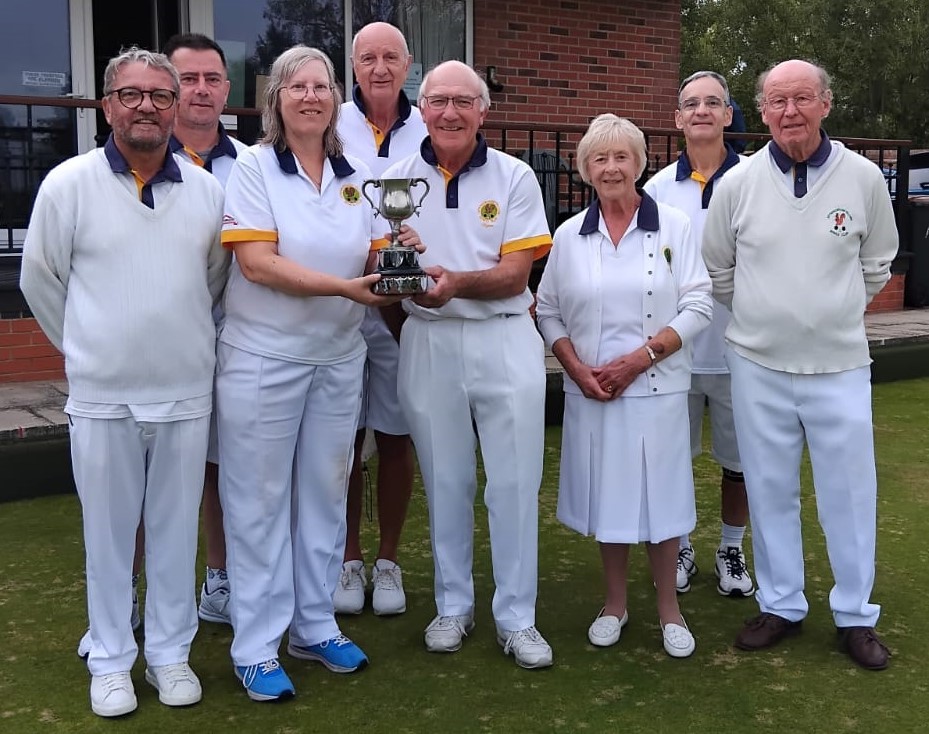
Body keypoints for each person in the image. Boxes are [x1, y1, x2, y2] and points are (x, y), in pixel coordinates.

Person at [20, 47, 228, 717]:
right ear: (108, 105)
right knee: (108, 539)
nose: (146, 106)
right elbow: (39, 279)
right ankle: (110, 660)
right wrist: (87, 349)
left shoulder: (206, 191)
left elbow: (213, 284)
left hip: (185, 392)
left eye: (160, 96)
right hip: (103, 396)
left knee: (174, 533)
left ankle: (169, 656)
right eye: (131, 94)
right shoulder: (68, 184)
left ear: (175, 108)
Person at [216, 44, 417, 702]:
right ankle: (255, 646)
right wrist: (346, 288)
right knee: (259, 501)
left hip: (337, 357)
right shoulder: (252, 167)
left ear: (335, 99)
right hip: (264, 358)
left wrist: (400, 253)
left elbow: (372, 253)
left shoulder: (354, 174)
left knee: (327, 494)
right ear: (275, 98)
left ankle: (313, 626)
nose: (310, 96)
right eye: (296, 86)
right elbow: (257, 264)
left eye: (321, 86)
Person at [702, 59, 896, 670]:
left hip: (840, 365)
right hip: (757, 363)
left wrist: (830, 314)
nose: (791, 111)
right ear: (762, 111)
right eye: (778, 101)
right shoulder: (737, 183)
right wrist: (765, 316)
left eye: (803, 98)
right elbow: (718, 267)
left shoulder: (863, 178)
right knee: (768, 487)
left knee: (850, 492)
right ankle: (781, 604)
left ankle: (855, 614)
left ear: (825, 104)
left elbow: (878, 262)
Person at [384, 60, 553, 669]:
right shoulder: (395, 178)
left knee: (513, 484)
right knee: (446, 480)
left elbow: (515, 274)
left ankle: (517, 617)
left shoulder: (514, 175)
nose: (449, 113)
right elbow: (383, 269)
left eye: (463, 101)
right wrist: (406, 289)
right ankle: (453, 606)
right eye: (438, 101)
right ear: (421, 108)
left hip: (503, 337)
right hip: (429, 339)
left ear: (483, 110)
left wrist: (453, 283)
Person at [536, 114, 712, 658]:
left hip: (657, 389)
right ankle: (614, 605)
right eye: (599, 159)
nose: (611, 168)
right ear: (586, 169)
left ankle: (669, 611)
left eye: (621, 157)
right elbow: (547, 309)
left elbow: (698, 304)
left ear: (639, 163)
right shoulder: (569, 234)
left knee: (662, 504)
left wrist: (641, 359)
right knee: (610, 503)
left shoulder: (674, 227)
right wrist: (575, 368)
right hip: (594, 393)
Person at [643, 70, 754, 598]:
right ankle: (682, 545)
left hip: (742, 351)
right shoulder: (656, 188)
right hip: (676, 353)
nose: (702, 111)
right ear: (678, 117)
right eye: (692, 104)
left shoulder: (756, 179)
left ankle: (731, 548)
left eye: (713, 102)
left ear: (728, 114)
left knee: (740, 465)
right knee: (675, 461)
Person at [333, 21, 427, 617]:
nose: (380, 68)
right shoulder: (331, 121)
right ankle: (347, 558)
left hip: (402, 307)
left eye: (391, 57)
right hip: (341, 300)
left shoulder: (430, 124)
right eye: (368, 57)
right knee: (341, 441)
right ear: (354, 64)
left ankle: (388, 560)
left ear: (408, 64)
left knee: (395, 435)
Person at [164, 31, 248, 626]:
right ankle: (136, 595)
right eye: (187, 79)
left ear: (226, 88)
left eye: (211, 79)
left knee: (223, 464)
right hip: (166, 341)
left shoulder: (252, 164)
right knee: (155, 477)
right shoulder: (141, 157)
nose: (200, 90)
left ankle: (219, 581)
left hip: (238, 335)